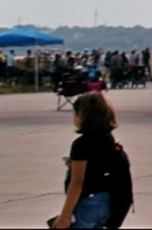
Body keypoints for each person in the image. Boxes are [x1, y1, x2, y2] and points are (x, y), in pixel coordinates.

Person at [50, 92, 131, 229]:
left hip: (88, 203)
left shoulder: (81, 145)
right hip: (105, 201)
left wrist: (65, 215)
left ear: (82, 116)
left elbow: (77, 182)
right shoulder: (108, 139)